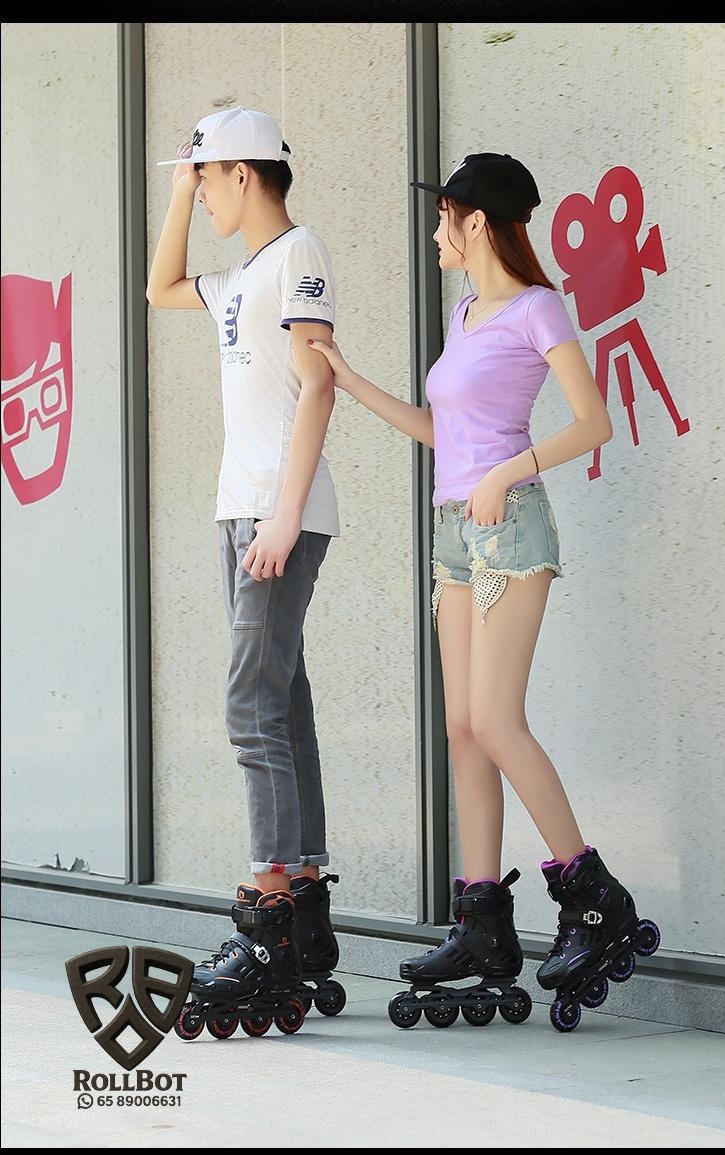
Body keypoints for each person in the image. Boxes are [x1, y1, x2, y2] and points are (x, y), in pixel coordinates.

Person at [309, 152, 659, 1033]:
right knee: (464, 726)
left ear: (476, 222)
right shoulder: (464, 313)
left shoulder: (538, 307)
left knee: (499, 721)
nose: (435, 229)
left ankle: (595, 901)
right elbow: (444, 431)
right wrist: (350, 380)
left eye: (444, 216)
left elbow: (592, 421)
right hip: (454, 532)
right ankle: (481, 923)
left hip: (512, 527)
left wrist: (509, 470)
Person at [147, 107, 345, 1038]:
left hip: (277, 512)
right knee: (282, 696)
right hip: (245, 511)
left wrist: (285, 512)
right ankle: (302, 897)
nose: (199, 196)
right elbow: (160, 288)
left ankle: (268, 910)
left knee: (249, 704)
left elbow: (320, 383)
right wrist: (179, 189)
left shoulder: (299, 251)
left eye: (206, 178)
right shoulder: (239, 278)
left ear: (244, 172)